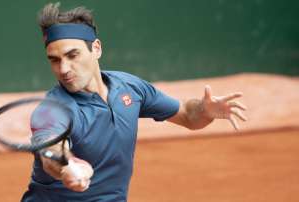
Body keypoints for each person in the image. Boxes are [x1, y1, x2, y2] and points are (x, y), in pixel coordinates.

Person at [21, 2, 247, 202]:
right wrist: (67, 167)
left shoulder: (129, 88)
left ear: (96, 48)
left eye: (72, 55)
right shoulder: (52, 110)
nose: (64, 69)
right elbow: (50, 150)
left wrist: (204, 110)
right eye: (54, 60)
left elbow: (189, 116)